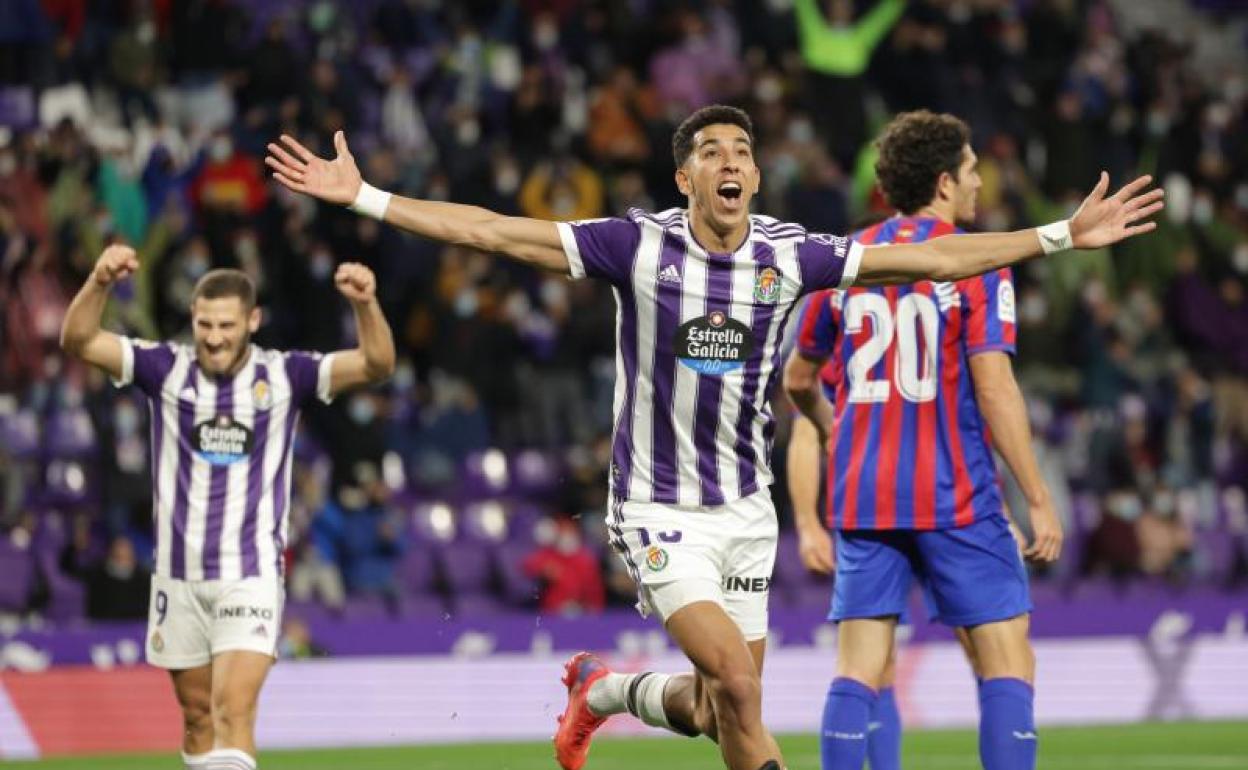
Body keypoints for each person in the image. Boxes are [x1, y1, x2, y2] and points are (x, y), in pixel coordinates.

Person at [264, 105, 1161, 770]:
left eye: (742, 151)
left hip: (744, 511)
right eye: (710, 152)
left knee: (721, 706)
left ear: (755, 179)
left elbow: (932, 257)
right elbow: (496, 232)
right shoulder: (636, 247)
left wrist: (1058, 236)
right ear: (685, 180)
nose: (730, 161)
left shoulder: (790, 254)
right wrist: (367, 197)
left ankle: (603, 692)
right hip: (656, 507)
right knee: (735, 678)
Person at [783, 111, 1064, 770]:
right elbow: (994, 388)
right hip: (952, 489)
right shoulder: (976, 261)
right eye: (971, 171)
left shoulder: (847, 260)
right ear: (944, 183)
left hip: (862, 493)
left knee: (859, 669)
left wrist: (830, 427)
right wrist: (1036, 495)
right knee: (1007, 660)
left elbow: (798, 379)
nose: (979, 183)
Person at [59, 245, 396, 770]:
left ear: (252, 321)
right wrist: (99, 281)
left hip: (250, 575)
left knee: (231, 711)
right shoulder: (164, 368)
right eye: (205, 325)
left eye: (226, 326)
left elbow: (376, 364)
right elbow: (78, 340)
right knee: (197, 718)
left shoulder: (287, 375)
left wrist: (366, 304)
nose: (214, 337)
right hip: (178, 579)